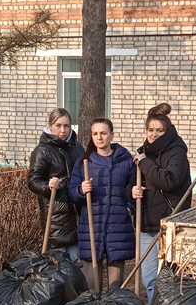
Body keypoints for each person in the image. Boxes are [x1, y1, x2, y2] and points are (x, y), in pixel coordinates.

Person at [131, 103, 192, 305]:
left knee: (169, 279)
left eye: (159, 130)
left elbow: (170, 181)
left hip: (170, 224)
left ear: (167, 131)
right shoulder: (144, 152)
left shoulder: (176, 152)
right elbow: (131, 184)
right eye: (150, 130)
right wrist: (132, 191)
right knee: (149, 278)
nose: (154, 134)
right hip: (147, 224)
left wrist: (144, 163)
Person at [70, 118, 136, 290]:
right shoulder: (84, 163)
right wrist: (81, 190)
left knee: (116, 288)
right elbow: (72, 193)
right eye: (95, 134)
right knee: (91, 286)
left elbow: (133, 191)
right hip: (92, 227)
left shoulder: (126, 162)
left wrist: (129, 209)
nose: (99, 137)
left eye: (103, 133)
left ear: (112, 135)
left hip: (118, 227)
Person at [28, 108, 84, 259]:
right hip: (55, 218)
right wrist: (48, 185)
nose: (63, 130)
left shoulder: (77, 147)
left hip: (77, 215)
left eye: (66, 126)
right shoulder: (42, 150)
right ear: (50, 126)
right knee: (57, 264)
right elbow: (33, 181)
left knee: (74, 265)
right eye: (58, 125)